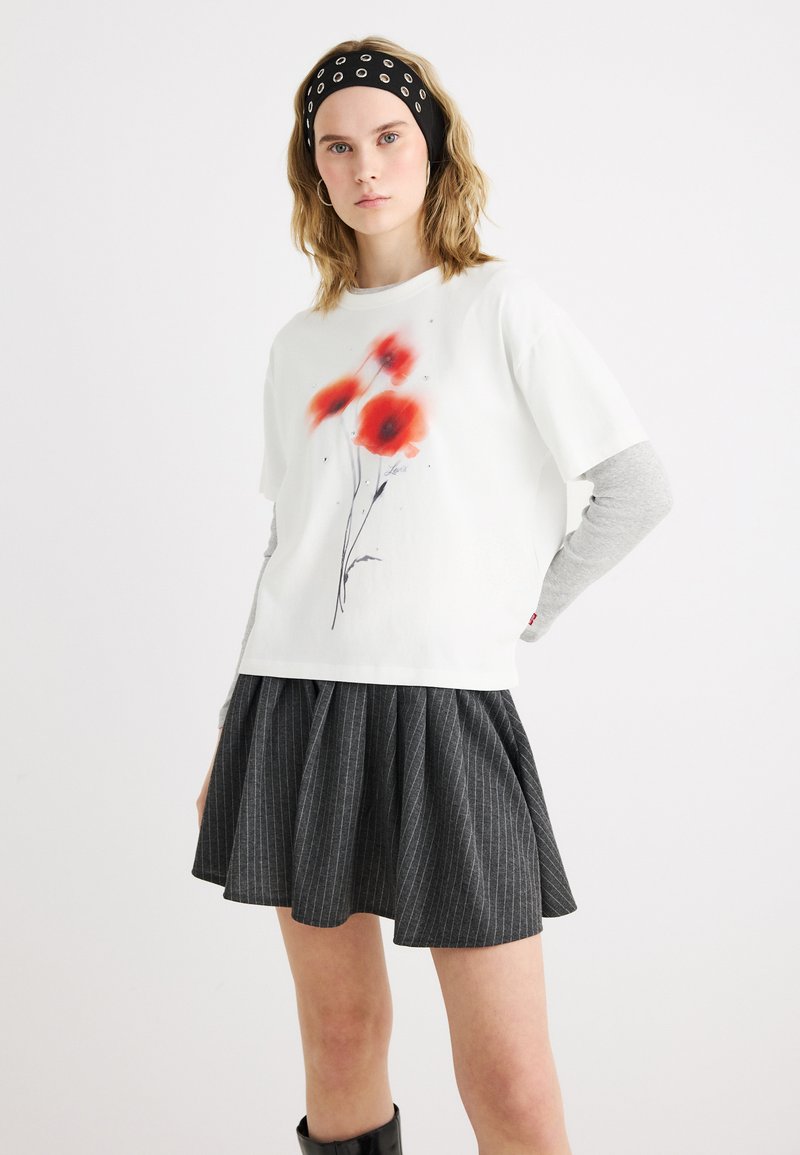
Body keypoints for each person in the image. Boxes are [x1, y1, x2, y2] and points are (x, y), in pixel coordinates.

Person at [191, 35, 673, 1155]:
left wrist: (529, 609)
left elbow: (636, 487)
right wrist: (228, 731)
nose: (365, 166)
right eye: (336, 146)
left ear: (435, 146)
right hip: (293, 706)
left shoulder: (498, 304)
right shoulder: (298, 344)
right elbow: (289, 545)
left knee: (509, 1084)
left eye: (388, 137)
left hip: (447, 714)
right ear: (312, 170)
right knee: (340, 1039)